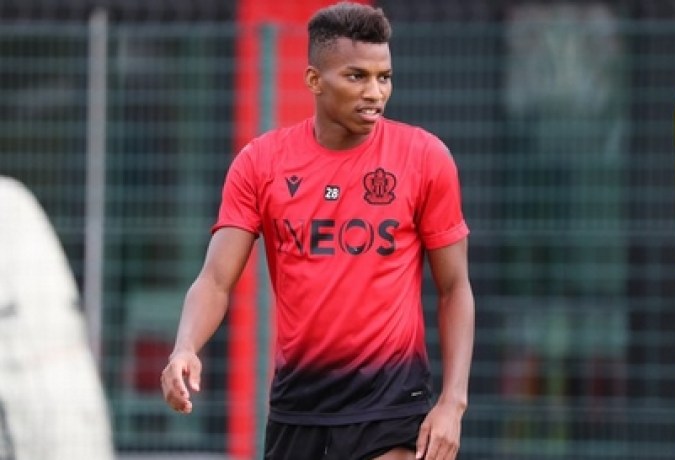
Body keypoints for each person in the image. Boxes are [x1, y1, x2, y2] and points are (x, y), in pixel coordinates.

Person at [160, 2, 474, 459]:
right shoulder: (260, 163)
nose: (375, 93)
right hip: (297, 408)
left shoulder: (426, 158)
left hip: (390, 409)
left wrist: (452, 402)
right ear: (313, 80)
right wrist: (184, 347)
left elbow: (455, 288)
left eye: (384, 77)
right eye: (357, 76)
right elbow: (214, 280)